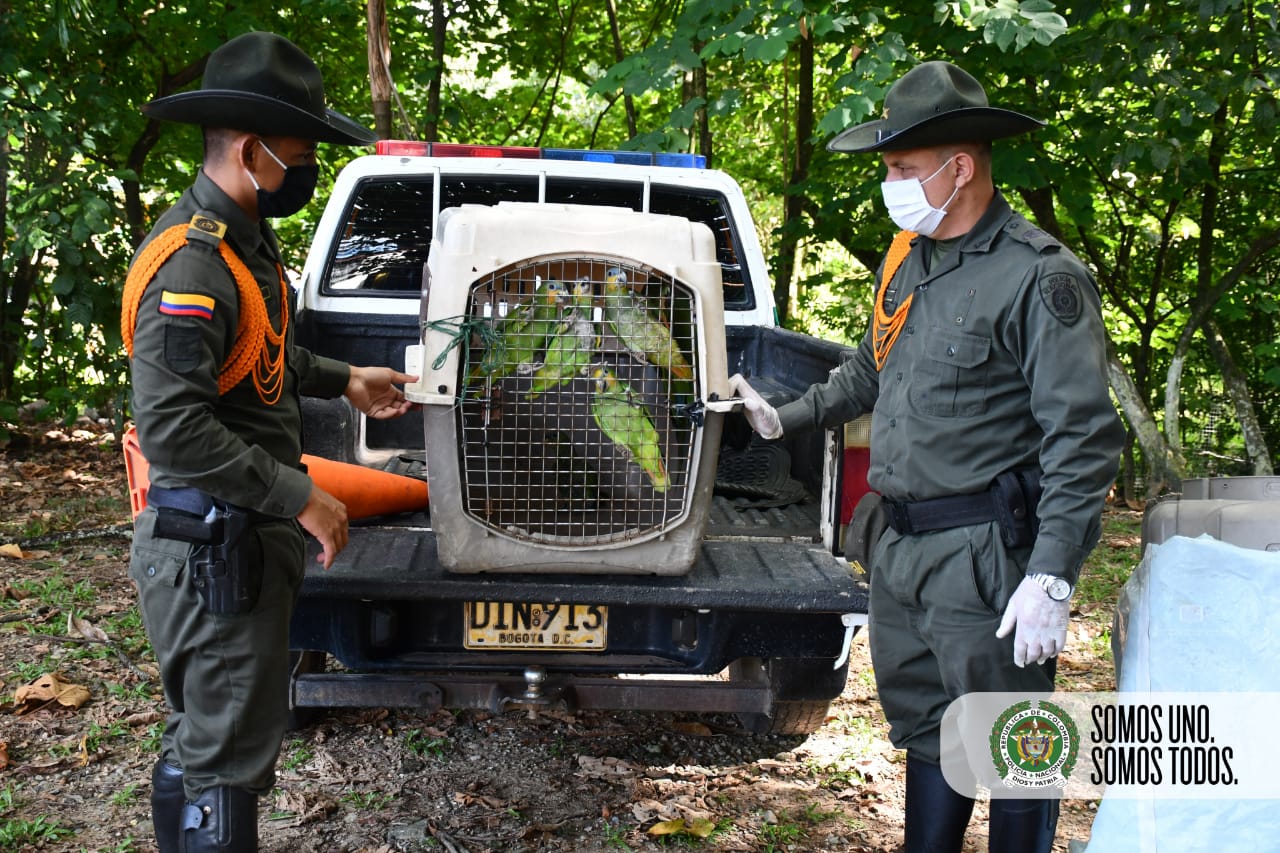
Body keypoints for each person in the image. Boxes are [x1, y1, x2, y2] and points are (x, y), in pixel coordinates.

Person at [730, 61, 1124, 853]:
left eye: (903, 168)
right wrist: (786, 417)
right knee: (928, 729)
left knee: (1016, 745)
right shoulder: (913, 258)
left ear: (960, 167)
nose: (892, 183)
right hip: (902, 547)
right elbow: (871, 369)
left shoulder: (1038, 277)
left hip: (985, 556)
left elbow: (1084, 437)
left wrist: (1051, 573)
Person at [121, 32, 417, 852]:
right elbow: (174, 430)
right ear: (250, 151)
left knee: (211, 737)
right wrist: (304, 494)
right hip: (212, 546)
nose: (304, 171)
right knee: (224, 758)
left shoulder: (243, 240)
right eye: (298, 154)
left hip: (234, 540)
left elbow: (255, 357)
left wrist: (342, 376)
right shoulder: (191, 267)